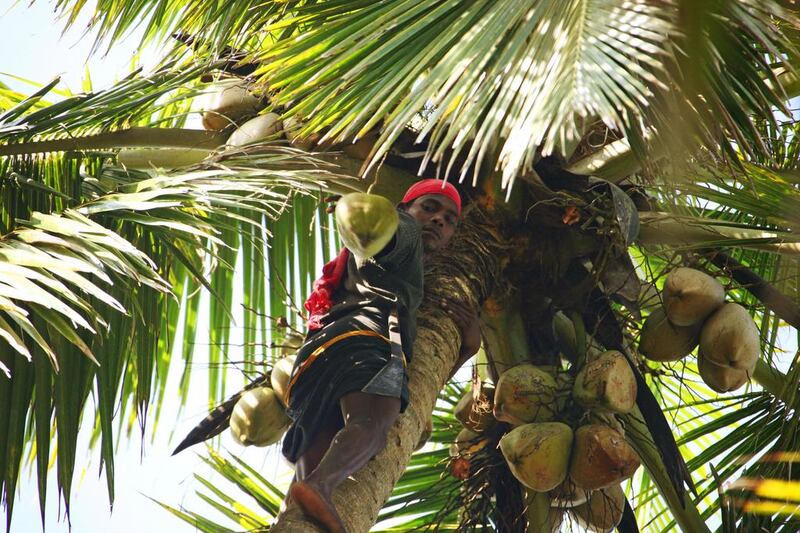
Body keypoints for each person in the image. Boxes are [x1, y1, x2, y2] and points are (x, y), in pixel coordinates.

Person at [266, 180, 480, 532]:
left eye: (450, 218)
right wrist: (373, 218)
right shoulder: (403, 229)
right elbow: (396, 233)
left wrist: (468, 348)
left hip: (316, 358)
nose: (439, 220)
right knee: (373, 424)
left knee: (315, 459)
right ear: (404, 208)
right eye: (429, 207)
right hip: (366, 339)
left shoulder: (370, 263)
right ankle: (318, 487)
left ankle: (303, 502)